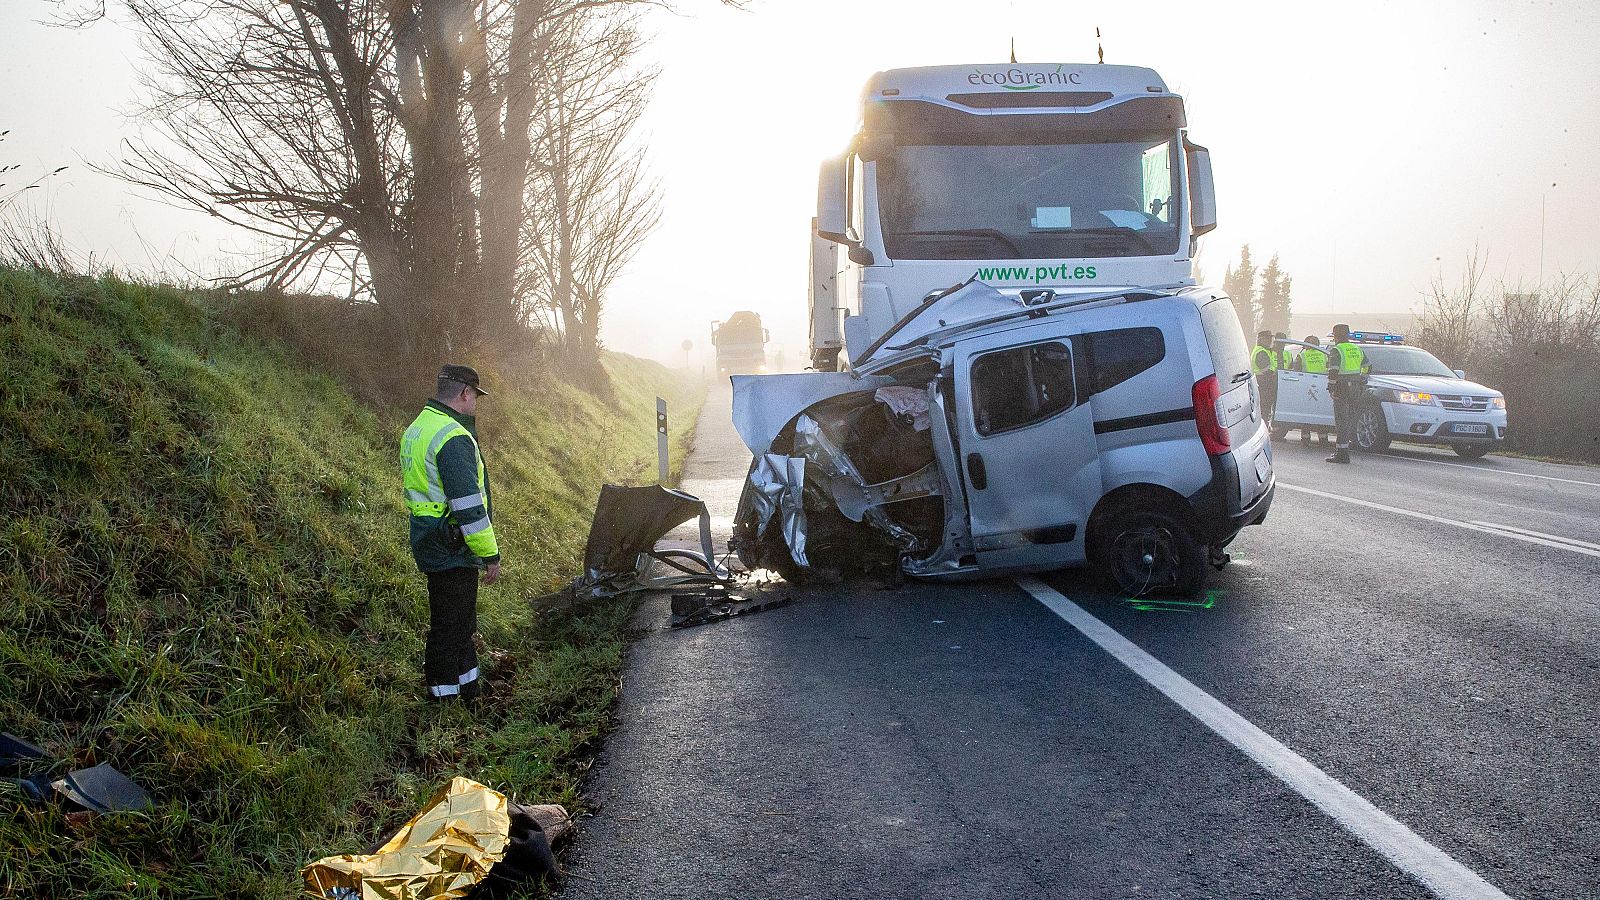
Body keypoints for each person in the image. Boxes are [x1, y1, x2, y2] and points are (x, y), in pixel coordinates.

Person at [400, 364, 502, 701]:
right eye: (475, 397)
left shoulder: (419, 427)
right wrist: (489, 554)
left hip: (430, 537)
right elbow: (469, 507)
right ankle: (445, 699)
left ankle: (467, 690)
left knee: (455, 621)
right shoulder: (452, 436)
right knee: (452, 625)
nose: (475, 404)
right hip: (452, 544)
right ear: (464, 393)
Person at [1325, 325, 1370, 464]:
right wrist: (1362, 378)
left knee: (1341, 421)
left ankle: (1342, 454)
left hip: (1342, 388)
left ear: (1335, 335)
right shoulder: (1357, 349)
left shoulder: (1336, 350)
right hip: (1356, 388)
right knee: (1350, 419)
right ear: (1348, 334)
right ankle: (1347, 448)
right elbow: (1368, 365)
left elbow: (1333, 371)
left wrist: (1331, 387)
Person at [1295, 335, 1330, 445]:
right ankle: (1323, 439)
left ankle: (1305, 438)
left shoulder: (1302, 355)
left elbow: (1296, 371)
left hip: (1306, 386)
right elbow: (1330, 369)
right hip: (1323, 386)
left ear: (1306, 345)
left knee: (1306, 412)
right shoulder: (1325, 355)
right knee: (1321, 412)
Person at [1251, 330, 1278, 427]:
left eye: (1271, 338)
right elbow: (1267, 370)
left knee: (1265, 409)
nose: (1270, 340)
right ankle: (1264, 428)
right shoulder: (1261, 352)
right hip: (1263, 384)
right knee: (1264, 409)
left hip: (1263, 384)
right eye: (1268, 338)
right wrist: (1275, 373)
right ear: (1261, 339)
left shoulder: (1265, 350)